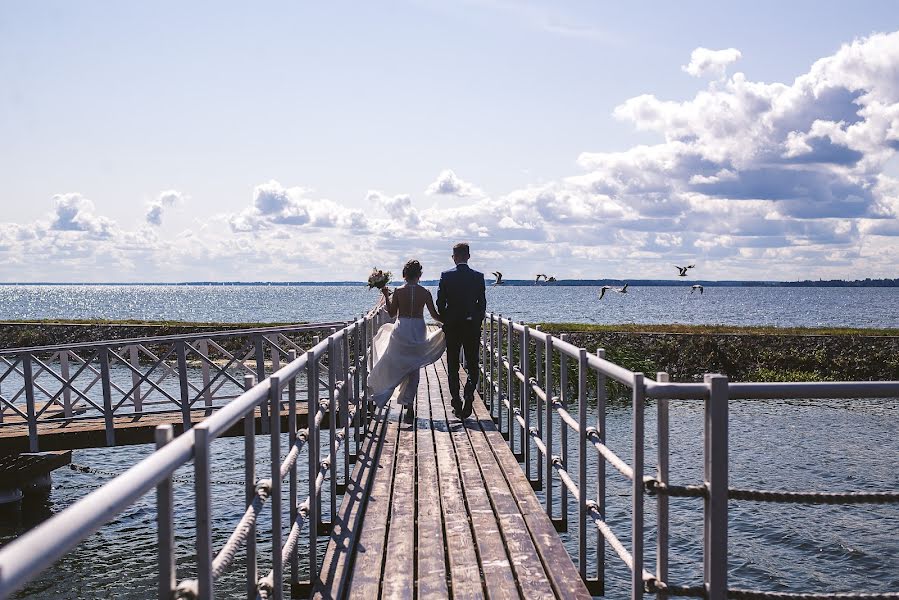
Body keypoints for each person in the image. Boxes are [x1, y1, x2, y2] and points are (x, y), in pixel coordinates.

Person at [367, 259, 445, 424]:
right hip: (418, 329)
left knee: (393, 363)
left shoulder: (399, 291)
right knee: (414, 367)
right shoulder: (425, 292)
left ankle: (381, 393)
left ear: (404, 274)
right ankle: (409, 403)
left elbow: (392, 313)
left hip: (401, 329)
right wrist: (449, 322)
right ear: (419, 275)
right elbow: (435, 316)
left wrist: (387, 296)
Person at [436, 242, 486, 419]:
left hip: (453, 327)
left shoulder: (446, 276)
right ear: (469, 257)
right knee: (473, 365)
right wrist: (476, 319)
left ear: (454, 257)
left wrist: (447, 318)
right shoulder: (478, 277)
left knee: (452, 366)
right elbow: (482, 303)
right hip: (472, 327)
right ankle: (469, 393)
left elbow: (440, 302)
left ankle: (456, 402)